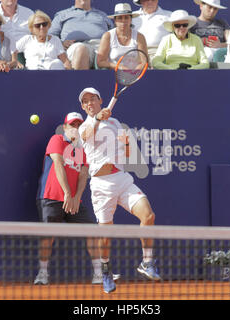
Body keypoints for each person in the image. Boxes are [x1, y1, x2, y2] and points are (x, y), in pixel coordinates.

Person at [78, 87, 161, 294]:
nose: (89, 103)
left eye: (92, 99)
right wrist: (98, 118)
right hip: (100, 185)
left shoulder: (115, 123)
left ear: (100, 100)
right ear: (83, 107)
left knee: (148, 215)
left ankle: (147, 262)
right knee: (106, 233)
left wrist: (122, 144)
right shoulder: (84, 127)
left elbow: (128, 150)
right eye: (85, 101)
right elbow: (88, 134)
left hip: (122, 179)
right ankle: (105, 269)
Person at [34, 112, 106, 286]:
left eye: (78, 125)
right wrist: (67, 193)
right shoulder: (56, 140)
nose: (75, 128)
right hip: (51, 198)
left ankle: (98, 274)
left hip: (73, 201)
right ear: (65, 127)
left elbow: (83, 175)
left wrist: (76, 197)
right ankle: (42, 273)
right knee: (47, 237)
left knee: (92, 232)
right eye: (72, 125)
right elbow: (58, 164)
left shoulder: (82, 149)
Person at [49, 0, 114, 70]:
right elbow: (50, 37)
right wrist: (61, 43)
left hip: (100, 47)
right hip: (76, 47)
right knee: (81, 50)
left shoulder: (103, 15)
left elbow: (114, 34)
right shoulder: (62, 15)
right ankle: (79, 80)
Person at [96, 3, 148, 70]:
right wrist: (119, 67)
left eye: (126, 18)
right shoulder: (107, 36)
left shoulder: (140, 37)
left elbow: (144, 62)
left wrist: (134, 72)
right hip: (113, 74)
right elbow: (100, 62)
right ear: (115, 20)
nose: (123, 21)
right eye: (120, 18)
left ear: (131, 20)